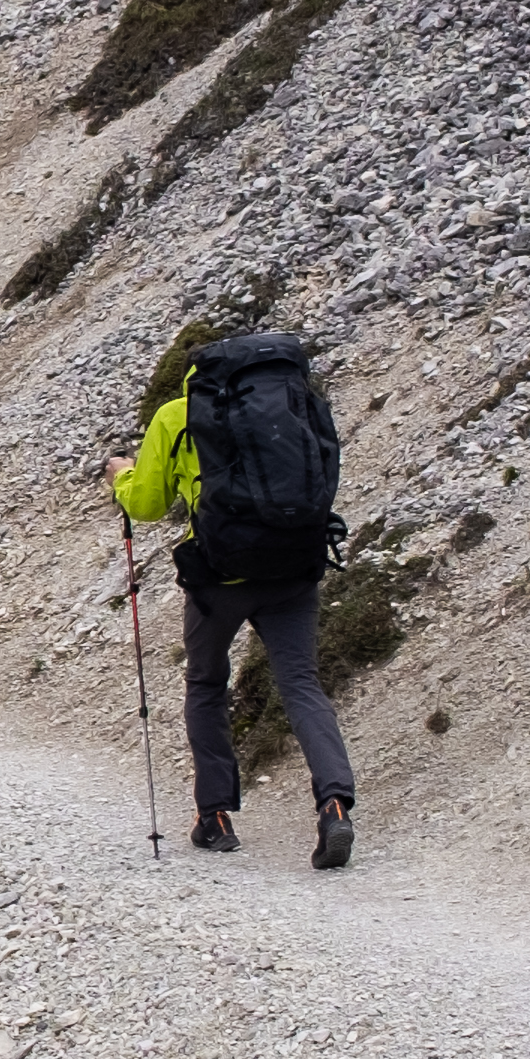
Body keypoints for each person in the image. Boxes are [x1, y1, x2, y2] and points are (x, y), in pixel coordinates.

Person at [110, 324, 357, 866]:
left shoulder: (178, 415)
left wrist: (122, 476)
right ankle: (335, 804)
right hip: (293, 566)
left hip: (217, 577)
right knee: (301, 684)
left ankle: (215, 817)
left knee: (206, 684)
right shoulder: (296, 402)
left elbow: (147, 505)